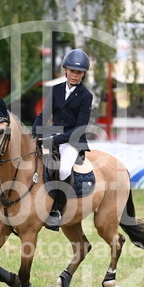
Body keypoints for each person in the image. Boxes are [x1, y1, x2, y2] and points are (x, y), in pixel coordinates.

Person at [32, 49, 93, 230]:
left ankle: (57, 210)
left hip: (73, 140)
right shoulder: (56, 90)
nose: (75, 75)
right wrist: (34, 134)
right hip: (53, 135)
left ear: (83, 74)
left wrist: (54, 140)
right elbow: (43, 116)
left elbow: (80, 127)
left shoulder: (86, 96)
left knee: (64, 169)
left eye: (79, 72)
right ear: (65, 69)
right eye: (72, 71)